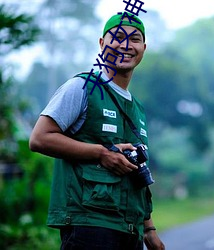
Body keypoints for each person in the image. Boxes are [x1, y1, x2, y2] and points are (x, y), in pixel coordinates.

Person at [29, 12, 165, 250]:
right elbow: (40, 138)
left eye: (134, 39)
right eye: (118, 37)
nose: (126, 45)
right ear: (102, 43)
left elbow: (137, 170)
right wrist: (102, 153)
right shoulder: (81, 87)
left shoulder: (138, 108)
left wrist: (149, 228)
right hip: (89, 225)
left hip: (130, 229)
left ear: (143, 48)